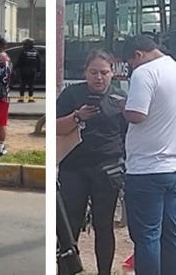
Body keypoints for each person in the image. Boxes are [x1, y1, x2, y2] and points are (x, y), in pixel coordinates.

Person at [121, 35, 176, 275]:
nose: (132, 68)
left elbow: (137, 114)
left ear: (138, 55)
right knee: (172, 232)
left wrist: (122, 105)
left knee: (147, 236)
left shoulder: (145, 72)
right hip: (175, 166)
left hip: (146, 168)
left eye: (130, 63)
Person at [56, 50, 128, 275]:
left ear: (112, 74)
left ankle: (104, 271)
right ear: (85, 73)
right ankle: (67, 269)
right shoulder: (72, 94)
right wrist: (77, 116)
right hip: (74, 167)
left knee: (104, 225)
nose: (99, 78)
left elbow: (128, 135)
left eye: (104, 73)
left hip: (108, 167)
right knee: (70, 224)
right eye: (94, 72)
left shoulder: (119, 99)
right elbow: (55, 128)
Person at [16, 38, 41, 102]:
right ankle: (31, 98)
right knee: (31, 84)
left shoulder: (23, 51)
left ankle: (21, 98)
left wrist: (15, 68)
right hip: (33, 70)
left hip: (24, 70)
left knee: (23, 84)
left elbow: (19, 61)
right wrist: (38, 71)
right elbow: (39, 62)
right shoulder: (35, 52)